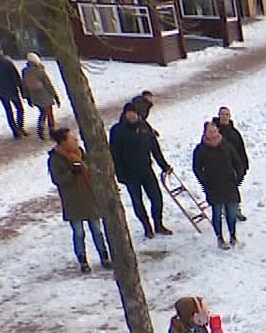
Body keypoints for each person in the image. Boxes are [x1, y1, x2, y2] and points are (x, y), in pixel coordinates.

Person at [46, 128, 110, 274]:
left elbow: (90, 169)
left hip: (88, 197)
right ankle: (82, 260)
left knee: (97, 230)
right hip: (73, 201)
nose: (76, 140)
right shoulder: (55, 159)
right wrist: (72, 173)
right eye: (71, 138)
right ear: (63, 142)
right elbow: (57, 179)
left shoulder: (80, 152)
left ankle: (104, 255)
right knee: (79, 233)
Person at [109, 104, 173, 238]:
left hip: (146, 169)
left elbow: (155, 148)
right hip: (130, 173)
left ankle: (158, 224)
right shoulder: (117, 130)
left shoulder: (145, 127)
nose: (132, 116)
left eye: (134, 113)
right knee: (137, 202)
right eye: (129, 113)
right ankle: (147, 227)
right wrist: (120, 174)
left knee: (157, 198)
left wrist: (164, 165)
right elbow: (114, 154)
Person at [192, 122, 244, 250]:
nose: (213, 134)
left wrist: (238, 178)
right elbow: (197, 168)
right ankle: (220, 238)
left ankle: (233, 235)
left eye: (215, 131)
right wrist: (204, 182)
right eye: (210, 132)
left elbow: (237, 162)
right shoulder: (200, 150)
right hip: (213, 187)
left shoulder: (226, 146)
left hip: (229, 185)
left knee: (231, 213)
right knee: (217, 213)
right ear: (205, 133)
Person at [213, 107, 249, 222]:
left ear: (230, 116)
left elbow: (241, 149)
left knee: (233, 190)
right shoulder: (213, 131)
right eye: (222, 114)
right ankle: (221, 211)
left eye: (226, 114)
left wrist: (244, 165)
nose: (224, 117)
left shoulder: (234, 133)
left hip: (232, 166)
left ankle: (235, 211)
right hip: (216, 167)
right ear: (219, 115)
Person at [19, 52, 60, 141]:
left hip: (34, 96)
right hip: (45, 95)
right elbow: (48, 84)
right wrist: (55, 96)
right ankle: (52, 132)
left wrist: (27, 97)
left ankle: (40, 128)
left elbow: (24, 85)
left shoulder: (25, 71)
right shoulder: (40, 71)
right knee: (49, 113)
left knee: (43, 112)